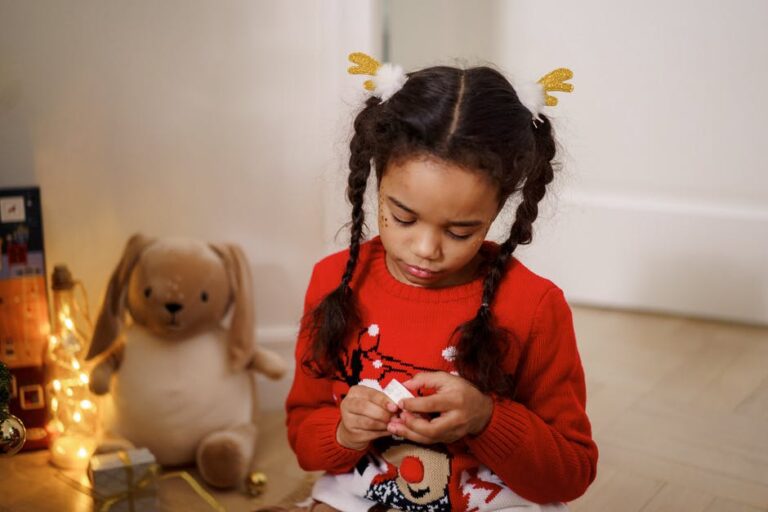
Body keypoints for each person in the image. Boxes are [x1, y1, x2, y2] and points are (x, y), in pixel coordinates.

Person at [281, 53, 597, 512]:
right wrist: (344, 431)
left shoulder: (533, 306)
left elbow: (570, 472)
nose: (426, 249)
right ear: (376, 182)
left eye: (460, 231)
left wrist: (486, 419)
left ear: (499, 208)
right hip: (363, 494)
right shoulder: (334, 280)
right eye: (403, 217)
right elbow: (304, 438)